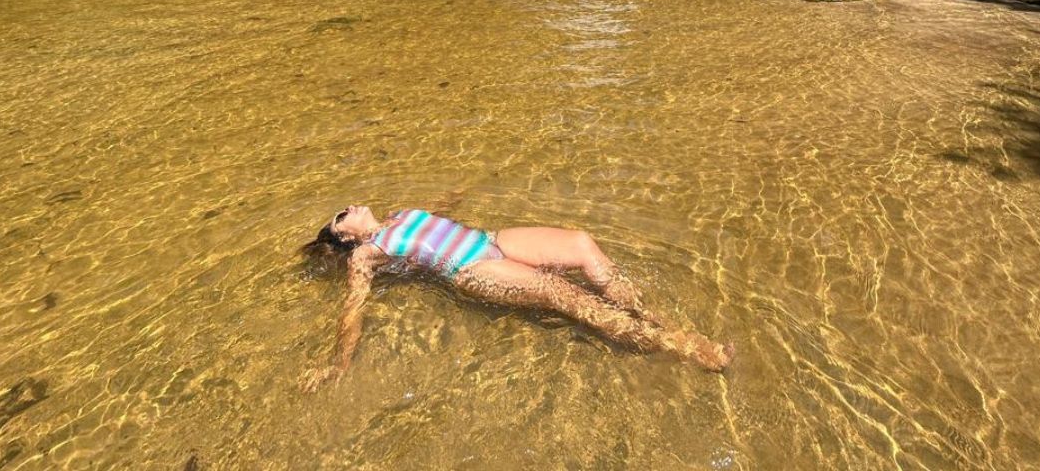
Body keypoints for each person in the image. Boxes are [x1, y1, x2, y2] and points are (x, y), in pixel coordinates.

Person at [298, 204, 733, 391]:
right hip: (472, 268)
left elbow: (435, 221)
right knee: (560, 292)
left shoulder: (399, 215)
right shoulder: (366, 256)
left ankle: (645, 312)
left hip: (491, 240)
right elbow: (353, 310)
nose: (352, 206)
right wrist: (338, 364)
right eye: (342, 214)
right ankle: (689, 347)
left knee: (582, 243)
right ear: (342, 235)